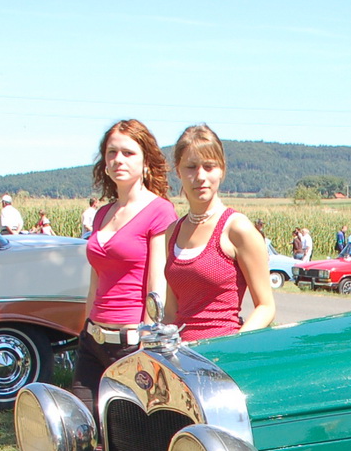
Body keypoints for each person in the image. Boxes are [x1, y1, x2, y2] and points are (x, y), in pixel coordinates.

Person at [71, 118, 177, 414]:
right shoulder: (102, 213)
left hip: (131, 345)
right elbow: (96, 278)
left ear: (146, 162)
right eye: (111, 153)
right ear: (104, 162)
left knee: (126, 439)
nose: (118, 159)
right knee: (81, 429)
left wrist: (145, 347)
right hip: (92, 341)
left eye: (128, 153)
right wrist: (84, 330)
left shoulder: (159, 210)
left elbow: (158, 284)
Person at [163, 123, 275, 342]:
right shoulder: (172, 232)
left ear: (222, 169)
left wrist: (233, 349)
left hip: (221, 359)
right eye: (191, 167)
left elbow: (266, 307)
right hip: (180, 359)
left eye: (209, 166)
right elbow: (170, 312)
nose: (200, 176)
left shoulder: (237, 228)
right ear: (178, 171)